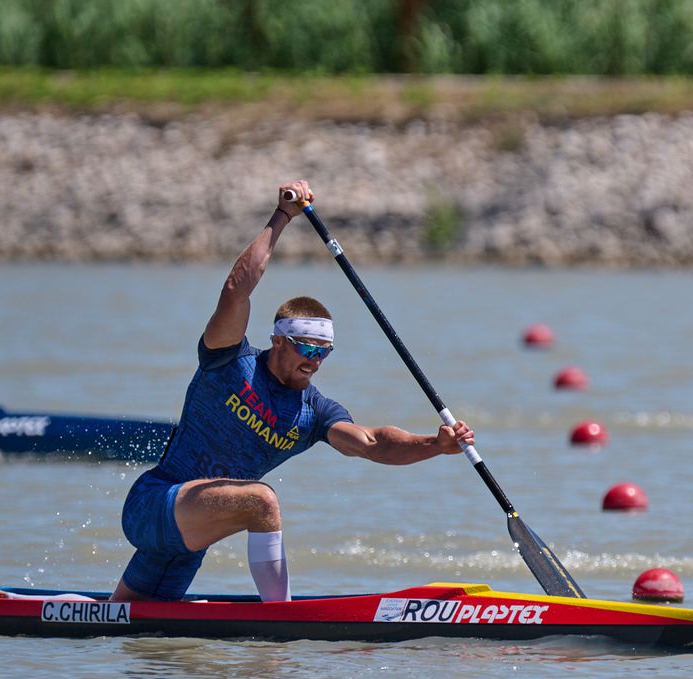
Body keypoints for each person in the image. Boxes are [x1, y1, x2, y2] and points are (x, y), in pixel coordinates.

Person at [106, 179, 473, 603]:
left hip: (194, 536)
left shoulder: (313, 411)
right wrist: (281, 218)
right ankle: (279, 614)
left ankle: (15, 606)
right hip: (155, 503)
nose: (314, 361)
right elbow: (235, 289)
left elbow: (372, 444)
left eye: (324, 353)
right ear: (278, 340)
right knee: (262, 501)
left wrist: (436, 444)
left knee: (126, 619)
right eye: (305, 348)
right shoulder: (228, 359)